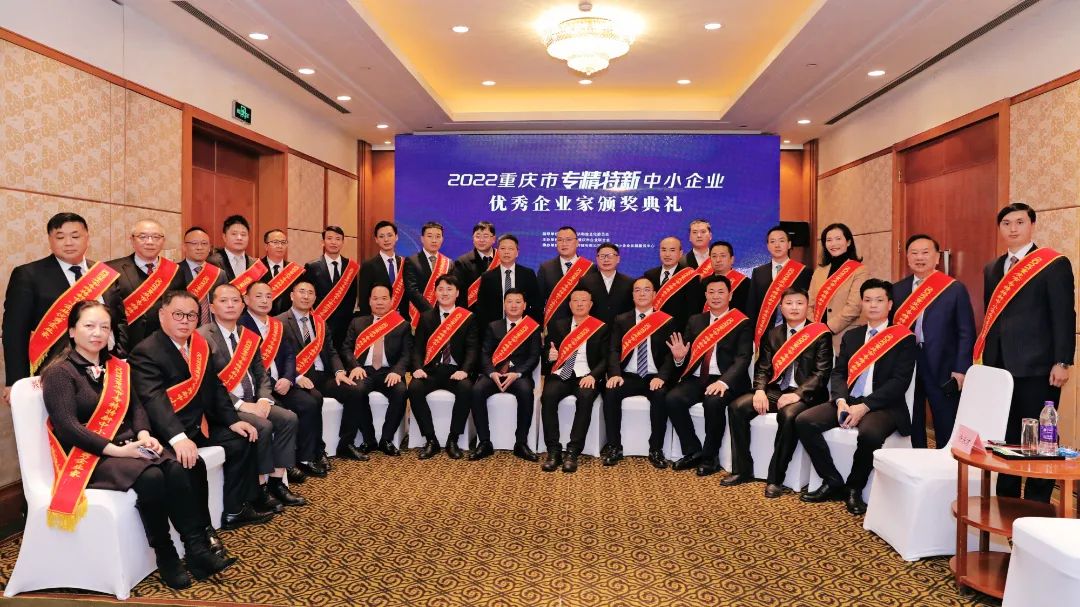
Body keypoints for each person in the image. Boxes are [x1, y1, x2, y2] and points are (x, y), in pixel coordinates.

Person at [41, 301, 235, 588]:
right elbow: (68, 427)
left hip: (131, 446)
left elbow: (136, 407)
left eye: (104, 327)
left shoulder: (116, 367)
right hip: (91, 456)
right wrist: (117, 450)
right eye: (89, 326)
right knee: (152, 476)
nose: (97, 333)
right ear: (71, 331)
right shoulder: (60, 373)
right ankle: (166, 555)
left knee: (176, 468)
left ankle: (197, 550)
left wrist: (144, 434)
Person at [129, 290, 272, 531]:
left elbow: (215, 386)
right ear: (162, 315)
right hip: (169, 432)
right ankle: (203, 531)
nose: (185, 321)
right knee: (190, 464)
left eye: (191, 315)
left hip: (200, 424)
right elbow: (153, 401)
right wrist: (178, 438)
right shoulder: (146, 351)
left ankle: (236, 510)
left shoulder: (199, 344)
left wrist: (232, 420)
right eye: (178, 314)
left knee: (242, 439)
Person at [980, 203, 1075, 503]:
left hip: (1039, 367)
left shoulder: (1052, 263)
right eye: (1006, 223)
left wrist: (1063, 361)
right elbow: (991, 318)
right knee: (1006, 436)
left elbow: (1064, 315)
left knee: (1042, 438)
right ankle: (1006, 499)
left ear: (1032, 225)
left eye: (1020, 222)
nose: (1013, 228)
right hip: (1000, 368)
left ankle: (1037, 503)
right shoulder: (992, 268)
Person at [798, 279, 918, 515]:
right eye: (868, 300)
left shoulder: (904, 338)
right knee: (804, 421)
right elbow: (839, 373)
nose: (873, 305)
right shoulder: (852, 336)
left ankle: (854, 488)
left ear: (890, 304)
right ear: (861, 304)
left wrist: (865, 406)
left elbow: (899, 382)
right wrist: (841, 400)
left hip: (883, 405)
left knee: (870, 434)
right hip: (849, 399)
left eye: (879, 300)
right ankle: (832, 480)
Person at [198, 284, 305, 511]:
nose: (230, 305)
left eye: (235, 300)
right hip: (226, 405)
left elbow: (261, 373)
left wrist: (264, 399)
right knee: (263, 426)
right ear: (212, 307)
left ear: (242, 304)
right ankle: (259, 489)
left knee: (288, 418)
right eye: (224, 301)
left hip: (255, 400)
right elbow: (207, 384)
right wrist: (241, 404)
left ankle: (277, 482)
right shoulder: (202, 336)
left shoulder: (248, 336)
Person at [3, 212, 127, 403]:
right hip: (53, 374)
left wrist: (121, 359)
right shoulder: (28, 275)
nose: (68, 243)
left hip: (106, 370)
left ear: (87, 238)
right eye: (60, 237)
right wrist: (16, 382)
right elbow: (14, 332)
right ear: (50, 240)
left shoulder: (105, 275)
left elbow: (119, 322)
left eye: (75, 236)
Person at [724, 287, 832, 498]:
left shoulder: (820, 333)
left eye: (799, 303)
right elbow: (763, 368)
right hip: (777, 390)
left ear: (807, 306)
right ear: (781, 307)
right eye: (789, 303)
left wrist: (798, 394)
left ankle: (775, 478)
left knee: (788, 415)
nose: (794, 307)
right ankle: (742, 470)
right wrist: (759, 391)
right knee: (737, 407)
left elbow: (821, 373)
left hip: (807, 395)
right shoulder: (773, 334)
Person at [892, 234, 976, 448]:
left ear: (937, 257)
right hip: (908, 364)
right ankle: (917, 460)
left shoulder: (954, 289)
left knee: (945, 420)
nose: (919, 257)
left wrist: (961, 369)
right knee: (913, 418)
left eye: (925, 252)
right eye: (914, 253)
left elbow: (966, 332)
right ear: (907, 258)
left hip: (943, 365)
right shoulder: (897, 290)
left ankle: (948, 463)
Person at [665, 275, 753, 476]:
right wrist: (679, 358)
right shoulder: (696, 320)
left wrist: (724, 382)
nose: (715, 296)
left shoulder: (741, 322)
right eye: (711, 292)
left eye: (721, 292)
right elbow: (684, 354)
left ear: (730, 295)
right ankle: (693, 450)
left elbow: (743, 358)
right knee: (672, 399)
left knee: (713, 402)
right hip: (698, 378)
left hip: (725, 379)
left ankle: (710, 457)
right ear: (705, 295)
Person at [239, 281, 326, 481]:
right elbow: (249, 366)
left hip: (283, 383)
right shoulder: (241, 326)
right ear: (246, 300)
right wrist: (273, 382)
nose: (264, 301)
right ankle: (286, 465)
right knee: (285, 414)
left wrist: (288, 378)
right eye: (259, 296)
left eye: (268, 296)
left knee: (310, 402)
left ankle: (304, 457)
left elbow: (289, 355)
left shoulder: (277, 325)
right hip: (261, 389)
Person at [277, 280, 367, 465]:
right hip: (299, 377)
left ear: (315, 298)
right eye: (302, 292)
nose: (306, 296)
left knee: (356, 390)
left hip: (323, 375)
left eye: (310, 293)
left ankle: (346, 443)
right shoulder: (279, 322)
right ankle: (318, 450)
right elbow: (278, 358)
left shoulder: (320, 322)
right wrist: (296, 376)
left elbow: (331, 351)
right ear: (292, 296)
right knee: (314, 399)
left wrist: (339, 371)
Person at [602, 278, 677, 468]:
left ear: (654, 294)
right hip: (628, 375)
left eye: (646, 290)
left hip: (654, 376)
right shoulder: (621, 320)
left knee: (661, 395)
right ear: (632, 295)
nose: (642, 293)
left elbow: (670, 354)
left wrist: (661, 377)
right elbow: (614, 350)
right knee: (610, 392)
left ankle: (656, 449)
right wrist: (615, 373)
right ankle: (614, 446)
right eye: (637, 290)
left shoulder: (665, 320)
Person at [408, 274, 479, 460]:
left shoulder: (467, 317)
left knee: (466, 388)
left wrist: (464, 370)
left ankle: (453, 439)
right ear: (435, 293)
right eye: (440, 289)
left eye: (449, 289)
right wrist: (417, 367)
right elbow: (417, 348)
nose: (445, 293)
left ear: (457, 293)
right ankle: (430, 439)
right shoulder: (426, 317)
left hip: (455, 371)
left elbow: (472, 349)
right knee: (414, 388)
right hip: (431, 371)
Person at [540, 288, 610, 473]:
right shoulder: (558, 325)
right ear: (570, 304)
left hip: (586, 375)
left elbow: (606, 359)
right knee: (547, 396)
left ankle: (572, 451)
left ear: (590, 304)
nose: (579, 304)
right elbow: (547, 351)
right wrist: (550, 355)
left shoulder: (600, 327)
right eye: (575, 300)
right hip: (562, 373)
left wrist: (593, 375)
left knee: (585, 398)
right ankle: (553, 450)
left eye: (584, 300)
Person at [339, 284, 413, 457]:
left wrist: (398, 371)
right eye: (375, 298)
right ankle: (369, 439)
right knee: (356, 391)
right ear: (369, 301)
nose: (379, 302)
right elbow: (346, 349)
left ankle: (386, 439)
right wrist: (355, 366)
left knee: (401, 391)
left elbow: (407, 354)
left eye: (384, 298)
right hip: (363, 371)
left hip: (389, 372)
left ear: (392, 301)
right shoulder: (357, 322)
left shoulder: (402, 325)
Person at [470, 288, 541, 462]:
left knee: (526, 392)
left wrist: (517, 374)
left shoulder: (532, 327)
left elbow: (534, 357)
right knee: (477, 390)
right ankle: (484, 442)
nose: (513, 305)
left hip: (518, 376)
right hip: (495, 374)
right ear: (504, 304)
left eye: (518, 302)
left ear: (524, 305)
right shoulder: (493, 326)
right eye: (509, 301)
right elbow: (485, 354)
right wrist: (491, 373)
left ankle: (521, 443)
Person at [107, 219, 186, 348]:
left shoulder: (176, 271)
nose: (150, 242)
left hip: (165, 345)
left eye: (156, 237)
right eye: (143, 237)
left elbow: (181, 308)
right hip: (126, 347)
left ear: (163, 241)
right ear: (132, 240)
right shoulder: (112, 270)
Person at [748, 226, 812, 350]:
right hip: (765, 332)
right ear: (767, 246)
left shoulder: (803, 272)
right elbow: (752, 306)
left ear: (789, 244)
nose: (777, 245)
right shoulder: (758, 272)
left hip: (796, 331)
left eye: (781, 241)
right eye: (772, 241)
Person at [808, 223, 868, 351]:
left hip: (844, 335)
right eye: (829, 240)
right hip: (816, 337)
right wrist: (814, 327)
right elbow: (809, 303)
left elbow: (854, 307)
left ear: (848, 242)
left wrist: (827, 328)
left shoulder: (859, 270)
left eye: (838, 239)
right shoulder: (819, 271)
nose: (833, 244)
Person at [303, 226, 359, 352]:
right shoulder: (312, 266)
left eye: (338, 239)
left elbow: (352, 297)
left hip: (345, 326)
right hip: (320, 323)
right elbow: (307, 296)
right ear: (323, 242)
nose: (334, 242)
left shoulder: (351, 267)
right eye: (329, 238)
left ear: (343, 242)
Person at [475, 234, 542, 329]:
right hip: (495, 330)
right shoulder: (487, 277)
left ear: (517, 252)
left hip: (523, 329)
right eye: (503, 248)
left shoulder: (528, 274)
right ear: (498, 252)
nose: (506, 252)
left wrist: (531, 327)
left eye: (510, 249)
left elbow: (536, 304)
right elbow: (482, 308)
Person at [537, 226, 596, 328]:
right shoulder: (546, 268)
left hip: (582, 327)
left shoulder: (590, 268)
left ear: (577, 243)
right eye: (560, 240)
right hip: (553, 326)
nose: (564, 243)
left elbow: (594, 300)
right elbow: (539, 301)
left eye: (568, 240)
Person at [644, 236, 702, 331]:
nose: (667, 254)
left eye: (672, 250)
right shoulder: (649, 275)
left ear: (680, 253)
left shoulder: (690, 277)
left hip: (679, 333)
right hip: (653, 331)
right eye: (664, 250)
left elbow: (693, 311)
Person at [403, 221, 454, 328]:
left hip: (444, 315)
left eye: (438, 236)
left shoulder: (448, 263)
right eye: (430, 236)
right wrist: (432, 313)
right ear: (422, 239)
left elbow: (452, 289)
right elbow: (412, 290)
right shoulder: (412, 261)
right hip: (420, 314)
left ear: (442, 239)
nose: (434, 240)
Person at [357, 220, 408, 319]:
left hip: (403, 319)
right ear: (376, 239)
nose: (386, 239)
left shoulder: (406, 263)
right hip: (378, 320)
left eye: (389, 235)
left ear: (396, 237)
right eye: (381, 236)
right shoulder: (368, 266)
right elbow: (364, 299)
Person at [179, 226, 228, 326]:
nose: (199, 247)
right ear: (184, 247)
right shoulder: (175, 272)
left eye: (204, 243)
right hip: (185, 326)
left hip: (214, 329)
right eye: (194, 243)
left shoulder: (219, 274)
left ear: (209, 248)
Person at [579, 242, 633, 325]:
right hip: (594, 329)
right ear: (597, 259)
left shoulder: (629, 282)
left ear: (618, 259)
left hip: (620, 329)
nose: (606, 260)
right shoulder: (585, 282)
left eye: (610, 256)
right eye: (602, 256)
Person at [208, 215, 264, 288]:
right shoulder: (213, 262)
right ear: (224, 237)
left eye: (243, 234)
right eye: (234, 234)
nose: (239, 238)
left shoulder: (255, 264)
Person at [455, 220, 499, 310]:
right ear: (473, 239)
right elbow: (459, 294)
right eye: (477, 236)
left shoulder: (502, 259)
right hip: (473, 313)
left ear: (494, 239)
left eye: (485, 236)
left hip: (499, 312)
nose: (481, 240)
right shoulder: (462, 262)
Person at [260, 228, 305, 316]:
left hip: (289, 319)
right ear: (266, 246)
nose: (280, 246)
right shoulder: (257, 268)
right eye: (275, 242)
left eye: (283, 242)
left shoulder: (295, 271)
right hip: (262, 317)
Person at [709, 241, 749, 315]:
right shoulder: (704, 282)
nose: (718, 260)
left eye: (723, 256)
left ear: (732, 259)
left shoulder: (745, 283)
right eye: (714, 256)